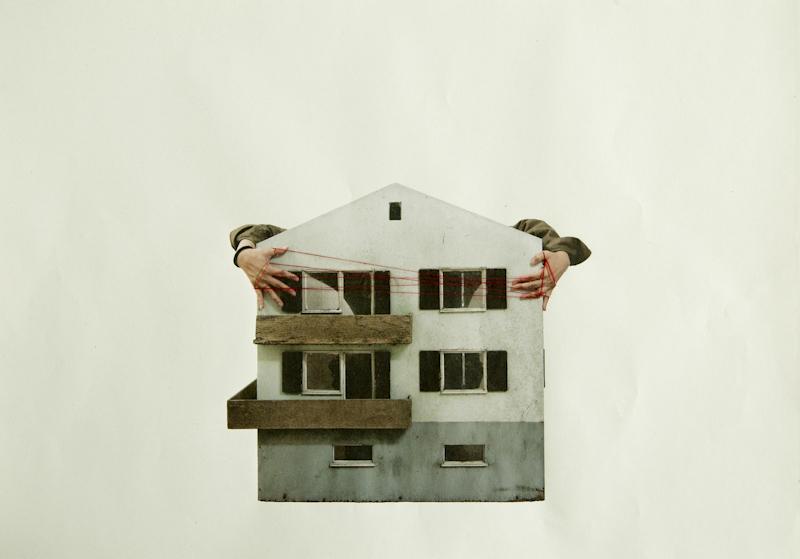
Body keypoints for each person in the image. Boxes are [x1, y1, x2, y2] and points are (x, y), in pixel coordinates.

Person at [230, 219, 590, 311]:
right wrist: (244, 253)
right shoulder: (346, 253)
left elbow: (530, 230)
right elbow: (258, 232)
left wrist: (562, 256)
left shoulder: (457, 250)